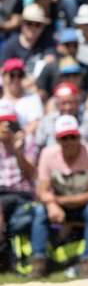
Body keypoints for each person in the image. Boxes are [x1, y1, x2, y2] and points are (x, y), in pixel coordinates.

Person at [30, 115, 88, 278]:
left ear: (79, 137)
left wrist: (59, 200)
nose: (69, 141)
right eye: (65, 138)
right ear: (57, 139)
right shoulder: (47, 154)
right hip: (58, 205)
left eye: (73, 136)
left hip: (84, 204)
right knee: (40, 211)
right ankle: (38, 260)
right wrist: (51, 204)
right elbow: (41, 189)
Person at [0, 100, 37, 249]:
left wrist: (18, 152)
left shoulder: (27, 140)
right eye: (2, 122)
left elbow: (29, 174)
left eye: (9, 122)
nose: (6, 127)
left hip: (22, 195)